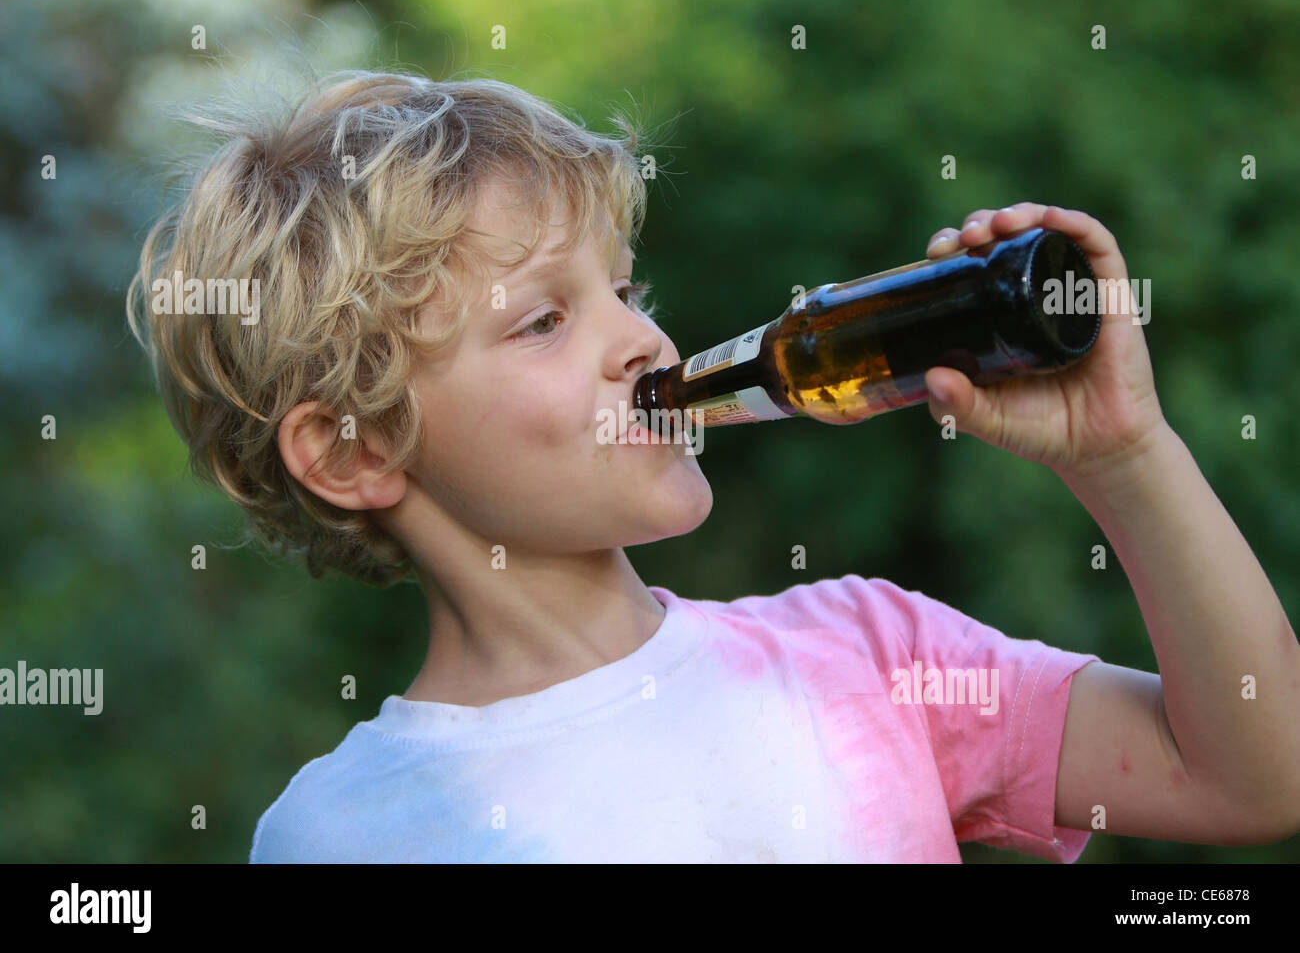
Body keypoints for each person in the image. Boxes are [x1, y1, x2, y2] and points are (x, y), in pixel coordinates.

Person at [126, 69, 1300, 862]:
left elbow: (1252, 777)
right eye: (543, 320)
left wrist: (1127, 455)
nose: (643, 340)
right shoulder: (339, 832)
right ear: (354, 447)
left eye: (624, 290)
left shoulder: (867, 656)